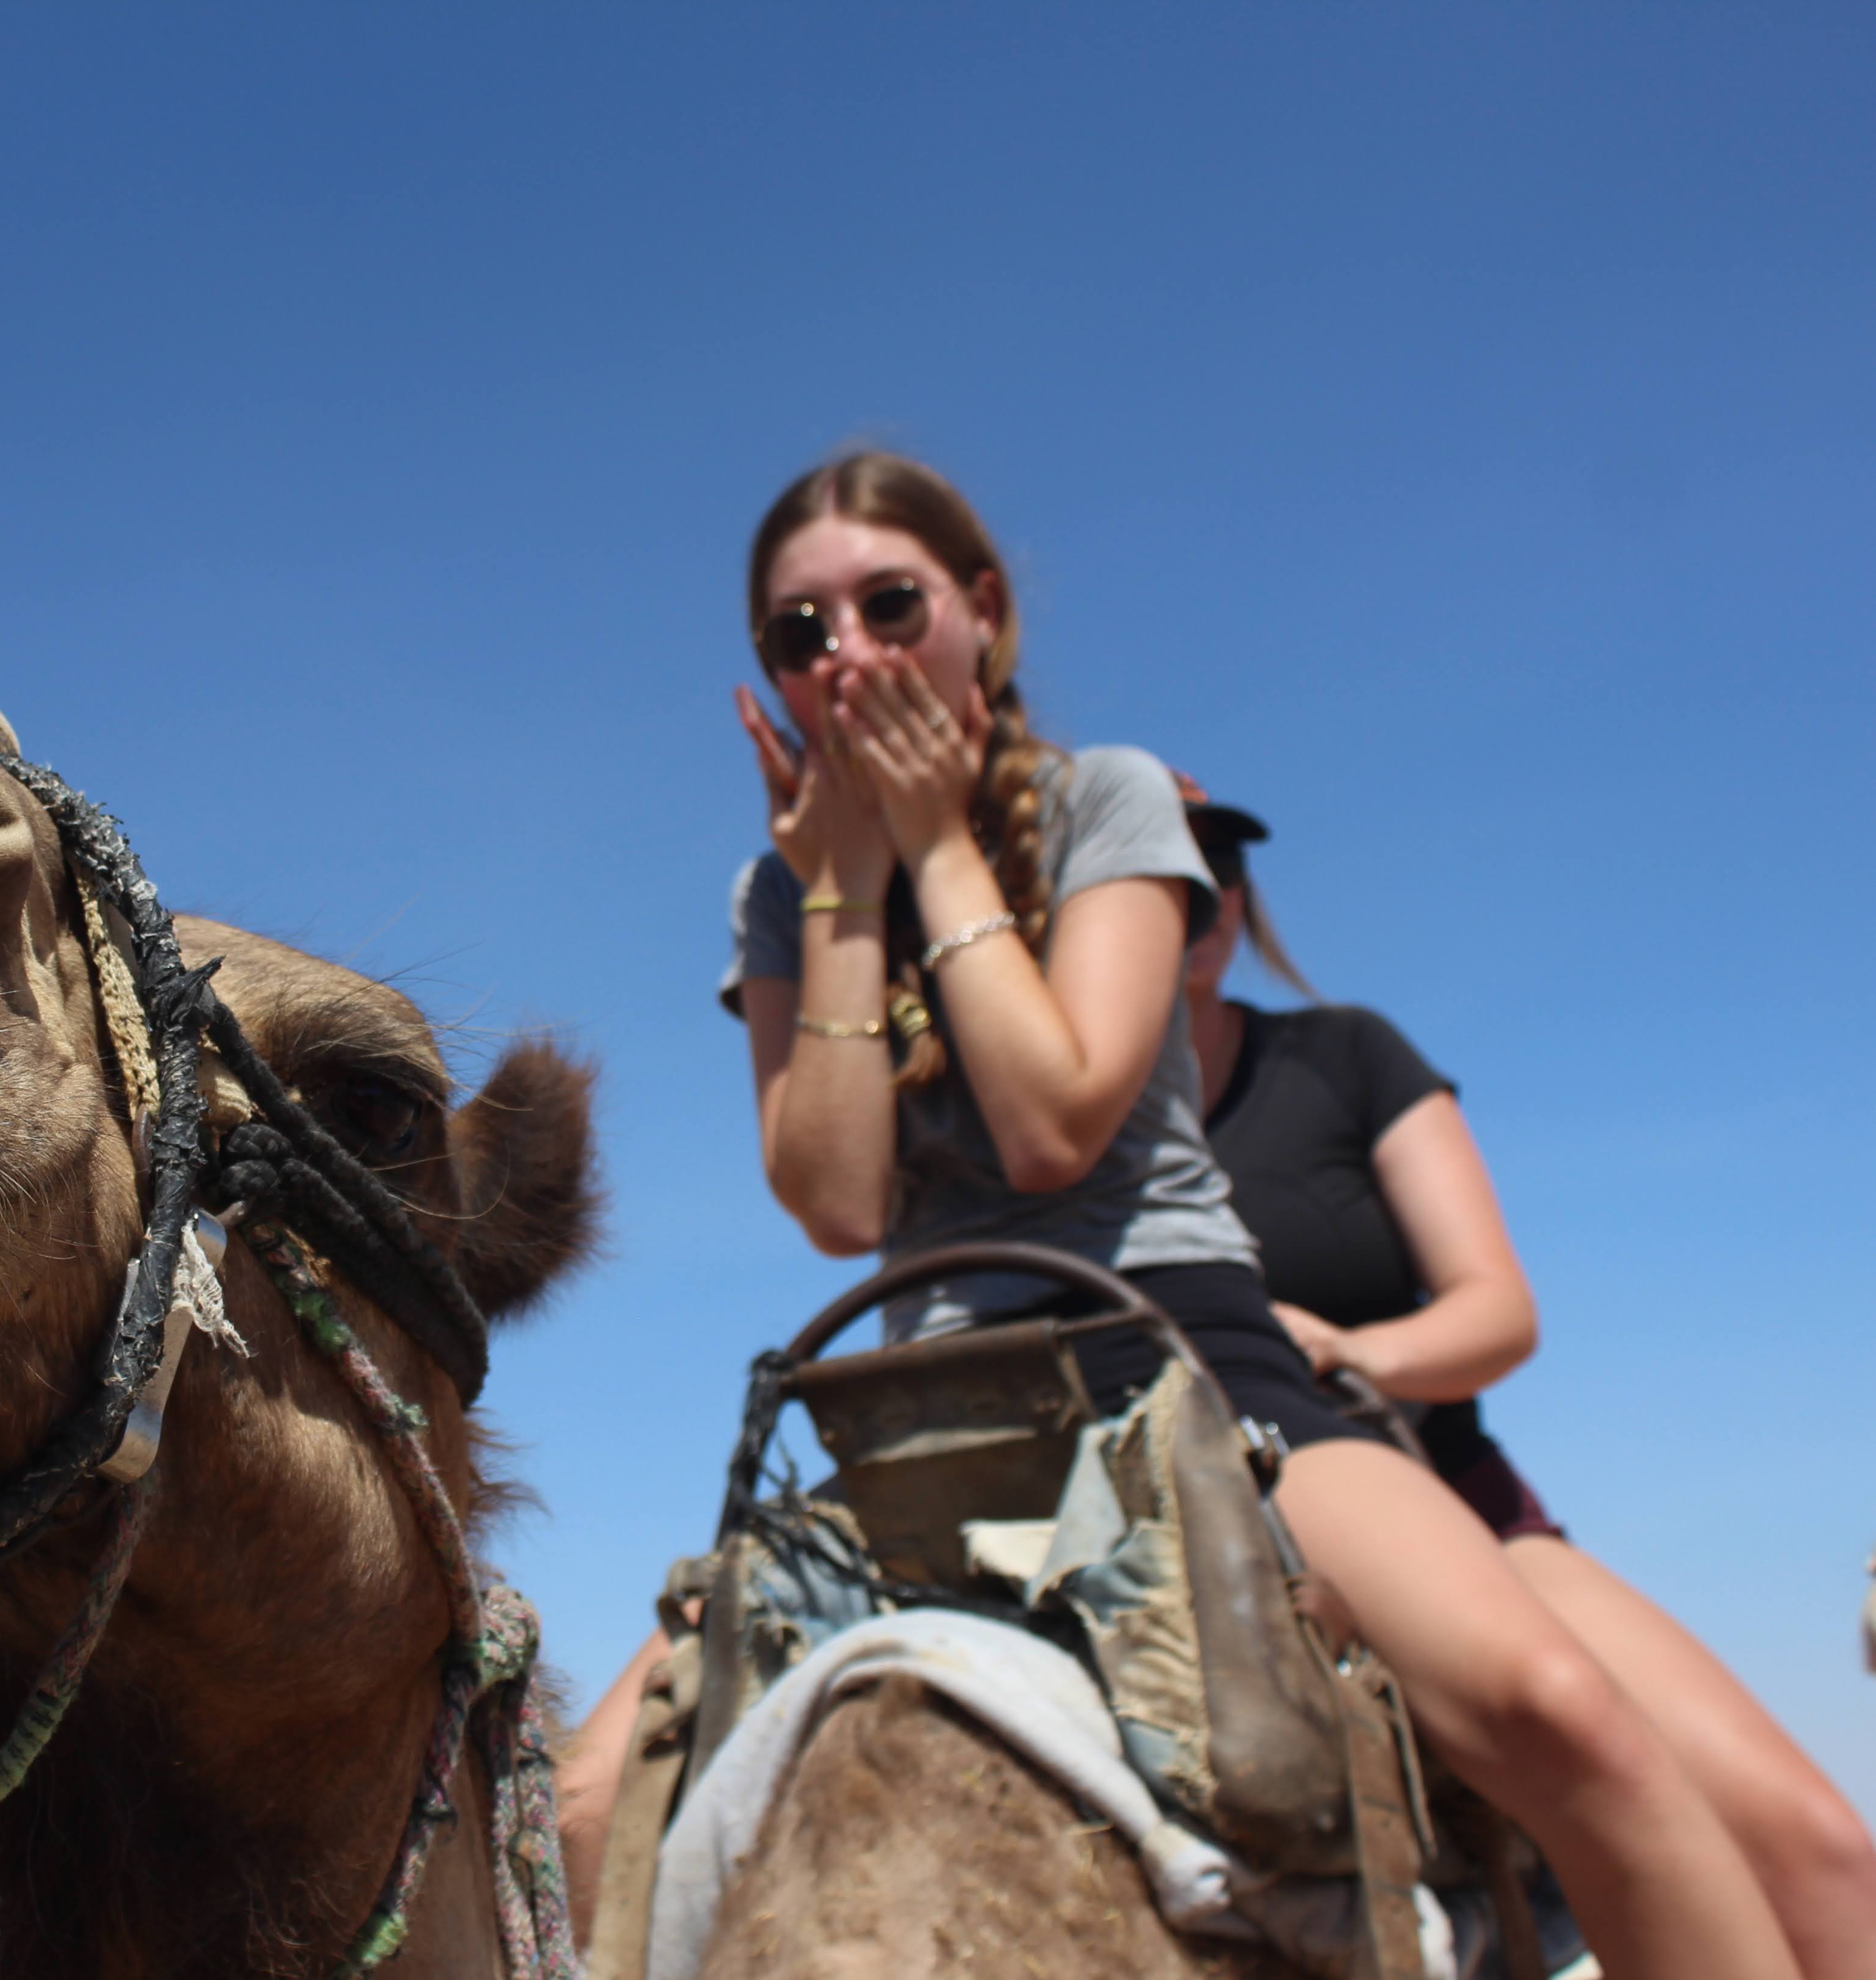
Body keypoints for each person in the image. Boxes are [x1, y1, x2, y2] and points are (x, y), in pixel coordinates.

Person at [557, 449, 1803, 1980]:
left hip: (1183, 1359)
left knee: (1561, 1714)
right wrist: (844, 888)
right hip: (919, 1413)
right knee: (580, 1808)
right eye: (798, 637)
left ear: (983, 612)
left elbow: (1050, 1121)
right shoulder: (788, 890)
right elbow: (831, 1199)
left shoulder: (1111, 803)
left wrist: (937, 841)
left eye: (888, 606)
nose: (849, 659)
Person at [1183, 788, 1876, 1979]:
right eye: (1146, 861)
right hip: (1193, 1530)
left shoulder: (1346, 1054)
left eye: (1216, 864)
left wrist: (1350, 1354)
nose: (1195, 892)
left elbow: (1498, 1310)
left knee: (1812, 1852)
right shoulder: (1053, 1144)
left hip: (1440, 1494)